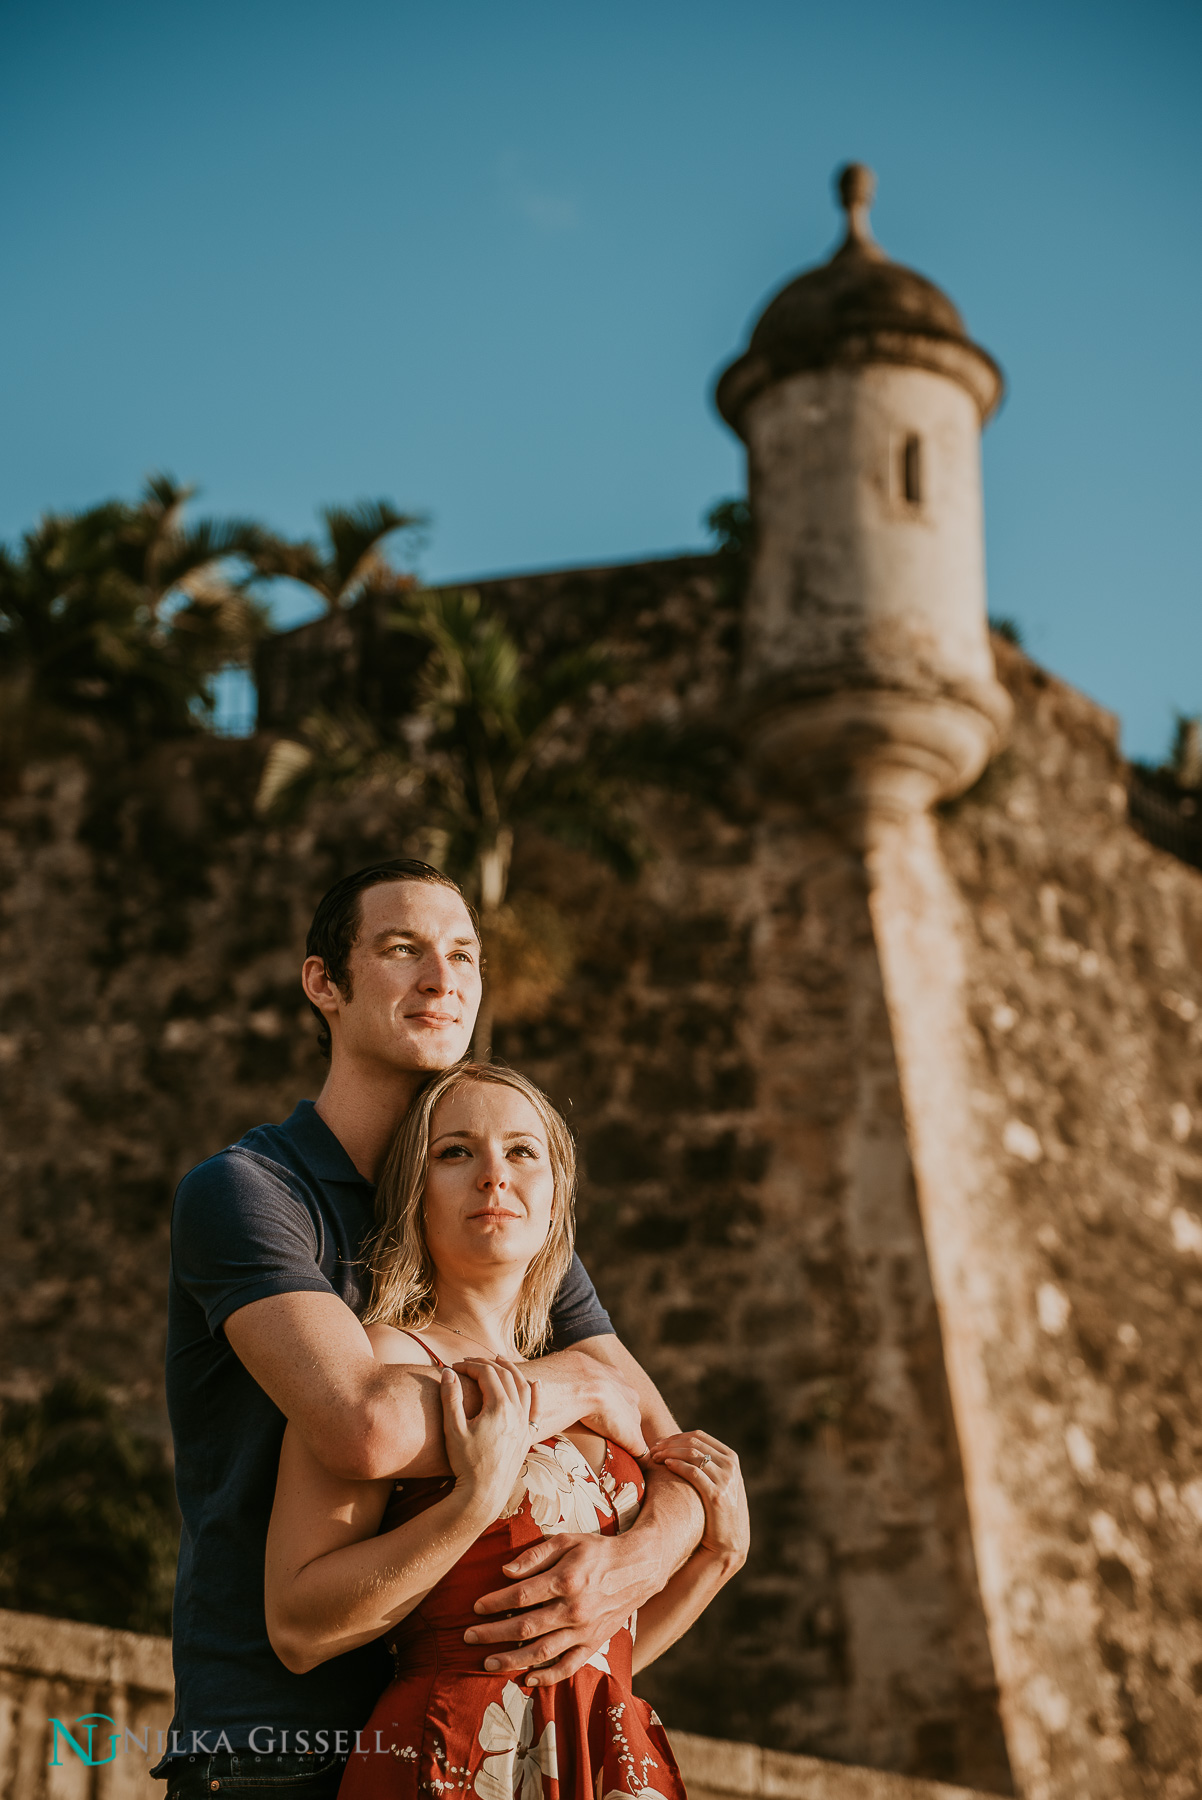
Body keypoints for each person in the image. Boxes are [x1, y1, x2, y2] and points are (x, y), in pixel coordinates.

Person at [154, 860, 708, 1800]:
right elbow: (363, 1429)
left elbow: (668, 1449)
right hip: (277, 1742)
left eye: (463, 955)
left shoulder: (488, 1213)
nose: (443, 979)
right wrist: (572, 1383)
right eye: (402, 949)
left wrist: (638, 1557)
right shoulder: (250, 1194)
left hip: (481, 1739)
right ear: (323, 983)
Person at [263, 1060, 749, 1800]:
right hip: (448, 1757)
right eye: (454, 1152)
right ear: (413, 1195)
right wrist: (472, 1504)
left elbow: (590, 1649)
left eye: (522, 1151)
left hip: (605, 1755)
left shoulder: (595, 1373)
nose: (495, 1175)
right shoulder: (384, 1359)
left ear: (556, 1200)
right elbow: (298, 1627)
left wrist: (713, 1561)